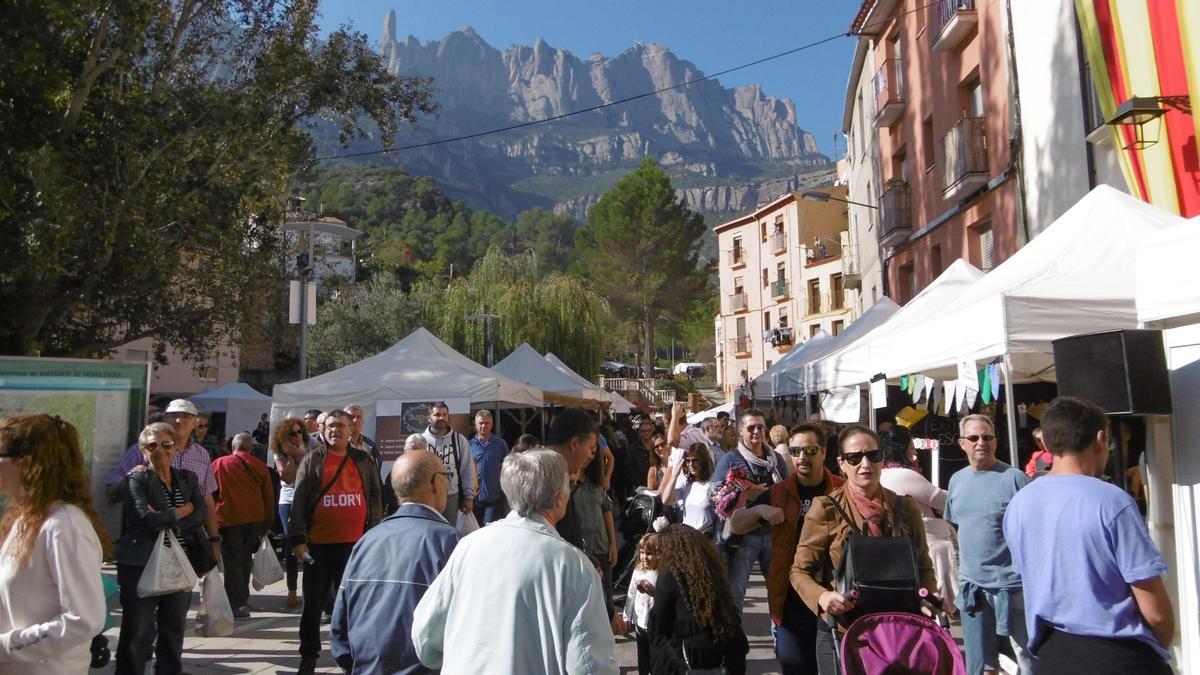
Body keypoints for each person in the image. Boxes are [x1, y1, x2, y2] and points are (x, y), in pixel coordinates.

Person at [1004, 397, 1174, 673]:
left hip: (1052, 655)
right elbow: (1154, 608)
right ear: (1100, 439)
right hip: (1119, 655)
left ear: (1046, 444)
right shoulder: (1111, 501)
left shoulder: (1019, 503)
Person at [411, 450, 618, 674]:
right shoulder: (573, 565)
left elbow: (425, 638)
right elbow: (590, 665)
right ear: (559, 497)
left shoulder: (468, 547)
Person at [790, 425, 937, 675]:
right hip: (844, 631)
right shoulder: (825, 509)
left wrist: (928, 597)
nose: (865, 464)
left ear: (882, 460)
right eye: (855, 458)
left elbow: (923, 566)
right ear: (841, 463)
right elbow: (799, 571)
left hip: (897, 632)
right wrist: (823, 598)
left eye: (873, 455)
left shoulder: (905, 507)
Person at [331, 450, 460, 674]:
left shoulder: (366, 541)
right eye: (445, 475)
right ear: (436, 483)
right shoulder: (453, 543)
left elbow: (340, 626)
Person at [0, 414, 110, 674]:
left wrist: (6, 647)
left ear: (28, 461)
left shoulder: (64, 525)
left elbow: (83, 620)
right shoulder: (25, 518)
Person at [731, 423, 842, 674]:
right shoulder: (778, 493)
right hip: (791, 601)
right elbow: (735, 524)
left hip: (836, 596)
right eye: (795, 451)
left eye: (810, 450)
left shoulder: (841, 490)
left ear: (824, 452)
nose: (802, 457)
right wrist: (760, 511)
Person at [288, 409, 383, 675]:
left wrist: (373, 536)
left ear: (351, 429)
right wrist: (297, 539)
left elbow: (374, 497)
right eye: (330, 426)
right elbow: (299, 501)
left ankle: (351, 656)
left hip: (355, 547)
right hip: (318, 545)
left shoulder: (363, 459)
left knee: (353, 606)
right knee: (313, 606)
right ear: (322, 429)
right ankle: (308, 656)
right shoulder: (312, 460)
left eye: (341, 426)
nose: (335, 431)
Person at [114, 422, 208, 675]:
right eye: (152, 445)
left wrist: (168, 517)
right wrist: (181, 511)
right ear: (143, 450)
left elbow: (200, 514)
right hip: (140, 563)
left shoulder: (187, 479)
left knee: (173, 629)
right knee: (137, 631)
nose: (160, 450)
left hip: (178, 561)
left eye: (166, 444)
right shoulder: (137, 479)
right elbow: (144, 518)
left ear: (175, 448)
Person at [945, 414, 1033, 675]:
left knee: (1029, 661)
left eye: (987, 436)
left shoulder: (1014, 478)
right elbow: (957, 526)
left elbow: (1032, 532)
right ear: (962, 443)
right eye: (973, 437)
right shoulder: (957, 480)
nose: (981, 442)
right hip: (974, 589)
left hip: (1014, 589)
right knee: (980, 667)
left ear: (996, 441)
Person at [106, 400, 222, 560]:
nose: (179, 421)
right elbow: (112, 494)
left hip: (185, 551)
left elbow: (206, 501)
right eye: (173, 415)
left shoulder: (201, 455)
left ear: (196, 423)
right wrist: (130, 479)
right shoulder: (143, 450)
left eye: (186, 417)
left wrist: (214, 539)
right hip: (145, 551)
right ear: (165, 419)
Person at [711, 409, 790, 611]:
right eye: (751, 427)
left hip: (772, 534)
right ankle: (733, 640)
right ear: (741, 431)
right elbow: (714, 496)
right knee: (735, 593)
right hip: (742, 537)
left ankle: (780, 637)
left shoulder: (775, 459)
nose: (756, 431)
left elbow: (788, 488)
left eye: (761, 427)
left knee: (779, 590)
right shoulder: (730, 459)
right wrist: (745, 494)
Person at [648, 524, 750, 675]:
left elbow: (658, 624)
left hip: (689, 658)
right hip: (724, 652)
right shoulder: (713, 570)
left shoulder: (671, 573)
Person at [878, 426, 958, 614]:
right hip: (923, 543)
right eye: (911, 446)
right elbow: (940, 498)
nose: (914, 450)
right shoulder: (903, 475)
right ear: (901, 448)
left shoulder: (881, 473)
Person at [211, 432, 275, 619]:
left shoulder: (219, 464)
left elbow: (211, 493)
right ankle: (242, 598)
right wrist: (267, 525)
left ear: (233, 446)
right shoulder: (260, 466)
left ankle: (236, 604)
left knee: (232, 563)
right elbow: (268, 498)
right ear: (251, 448)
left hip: (228, 518)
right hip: (254, 519)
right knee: (245, 559)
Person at [272, 417, 309, 607]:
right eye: (292, 433)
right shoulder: (279, 453)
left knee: (309, 543)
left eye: (299, 431)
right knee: (291, 543)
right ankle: (292, 590)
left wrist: (301, 454)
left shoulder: (311, 448)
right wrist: (291, 458)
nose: (297, 436)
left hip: (308, 500)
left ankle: (310, 588)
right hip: (288, 501)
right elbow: (287, 478)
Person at [577, 444, 618, 616]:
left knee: (607, 597)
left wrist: (613, 543)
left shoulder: (596, 481)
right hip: (579, 548)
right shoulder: (567, 482)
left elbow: (606, 510)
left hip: (600, 544)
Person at [420, 402, 476, 524]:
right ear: (429, 418)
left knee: (449, 532)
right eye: (437, 414)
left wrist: (468, 497)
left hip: (451, 497)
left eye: (445, 414)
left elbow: (467, 470)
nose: (441, 418)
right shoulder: (421, 440)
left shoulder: (459, 440)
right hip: (427, 497)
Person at [618, 533, 660, 675]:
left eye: (649, 553)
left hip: (656, 625)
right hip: (640, 622)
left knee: (655, 658)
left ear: (658, 554)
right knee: (642, 657)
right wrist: (626, 616)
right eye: (642, 552)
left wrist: (654, 591)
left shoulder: (661, 574)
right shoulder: (638, 571)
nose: (644, 557)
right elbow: (631, 594)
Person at [658, 442, 717, 534]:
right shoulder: (686, 484)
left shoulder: (713, 484)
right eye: (688, 461)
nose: (691, 465)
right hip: (687, 535)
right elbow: (666, 500)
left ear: (703, 461)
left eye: (695, 460)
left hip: (705, 537)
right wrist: (675, 475)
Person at [469, 410, 510, 525]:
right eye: (481, 423)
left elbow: (507, 469)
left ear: (491, 425)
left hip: (493, 499)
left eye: (487, 423)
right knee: (475, 531)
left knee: (489, 529)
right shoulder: (468, 445)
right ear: (475, 425)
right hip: (474, 500)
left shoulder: (500, 444)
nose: (483, 426)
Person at [344, 404, 380, 471]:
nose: (355, 420)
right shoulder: (339, 444)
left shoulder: (369, 445)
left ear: (362, 422)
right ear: (344, 421)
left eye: (359, 417)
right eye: (352, 417)